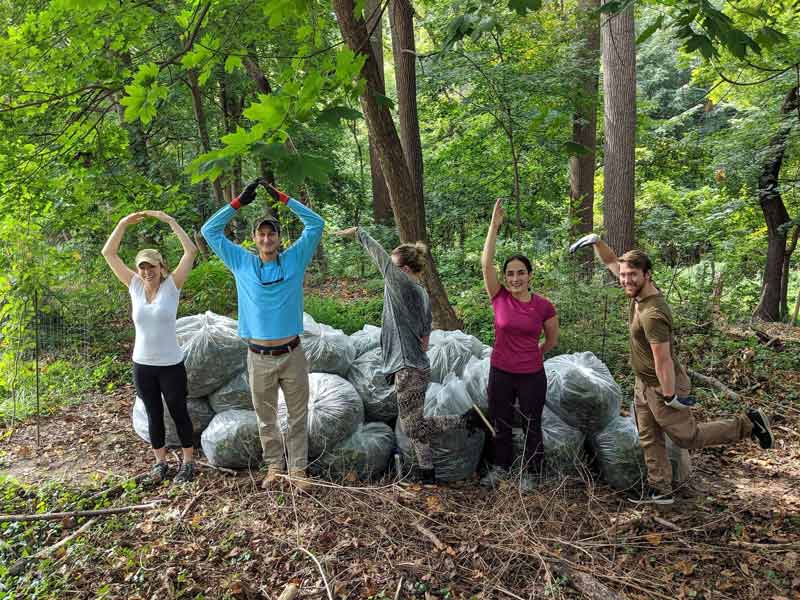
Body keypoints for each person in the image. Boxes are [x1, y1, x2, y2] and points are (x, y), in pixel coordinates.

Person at [569, 233, 775, 505]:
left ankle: (749, 424)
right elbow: (611, 262)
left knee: (687, 436)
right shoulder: (638, 291)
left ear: (647, 275)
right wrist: (597, 242)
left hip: (662, 385)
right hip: (643, 383)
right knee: (649, 437)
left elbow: (663, 359)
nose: (625, 279)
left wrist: (669, 395)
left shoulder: (653, 313)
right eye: (624, 275)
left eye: (632, 275)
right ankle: (661, 489)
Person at [334, 226, 493, 485]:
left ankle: (466, 420)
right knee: (415, 423)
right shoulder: (421, 294)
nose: (389, 275)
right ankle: (427, 472)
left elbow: (381, 260)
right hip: (415, 366)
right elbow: (425, 338)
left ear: (405, 270)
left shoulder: (403, 285)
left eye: (394, 268)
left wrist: (360, 233)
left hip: (409, 367)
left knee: (412, 426)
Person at [201, 179, 323, 492]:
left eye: (272, 234)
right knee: (266, 417)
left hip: (292, 354)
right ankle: (275, 468)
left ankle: (298, 469)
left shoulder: (294, 259)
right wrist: (238, 203)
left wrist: (284, 198)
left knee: (298, 416)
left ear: (279, 239)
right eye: (262, 234)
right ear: (254, 239)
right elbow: (209, 231)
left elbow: (316, 223)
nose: (267, 238)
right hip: (258, 356)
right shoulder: (241, 262)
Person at [102, 210, 199, 484]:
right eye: (142, 267)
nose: (147, 272)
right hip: (143, 365)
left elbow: (190, 252)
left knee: (178, 412)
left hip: (171, 365)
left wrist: (170, 221)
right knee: (153, 414)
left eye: (151, 267)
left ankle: (188, 463)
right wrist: (123, 223)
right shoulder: (134, 285)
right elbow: (109, 253)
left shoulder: (172, 285)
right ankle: (160, 463)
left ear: (161, 267)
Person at [480, 199, 560, 491]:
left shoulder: (544, 306)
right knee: (500, 422)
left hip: (531, 375)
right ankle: (501, 468)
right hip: (500, 371)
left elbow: (552, 340)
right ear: (505, 277)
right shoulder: (499, 297)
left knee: (531, 425)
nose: (515, 278)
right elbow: (485, 264)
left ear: (530, 275)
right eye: (510, 273)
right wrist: (494, 226)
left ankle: (532, 473)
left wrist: (533, 355)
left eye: (521, 272)